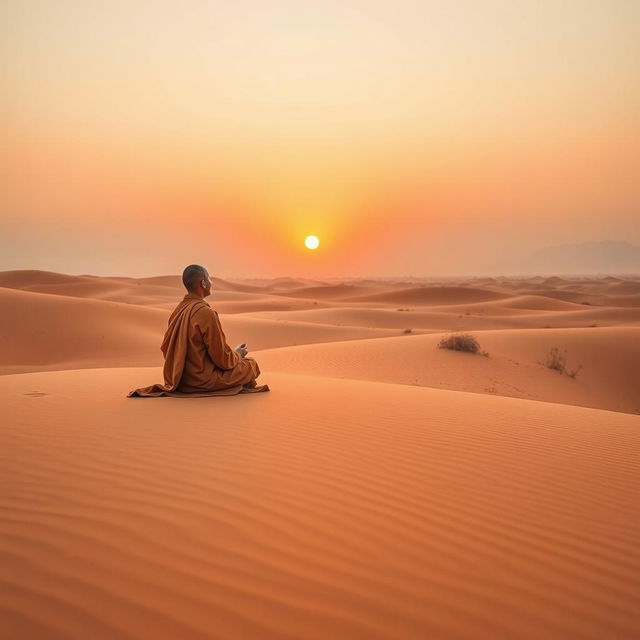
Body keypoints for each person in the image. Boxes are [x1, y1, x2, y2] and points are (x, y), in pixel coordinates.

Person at [128, 265, 268, 397]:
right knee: (251, 365)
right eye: (209, 279)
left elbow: (168, 349)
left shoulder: (178, 311)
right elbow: (222, 360)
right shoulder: (206, 313)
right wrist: (238, 354)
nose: (211, 282)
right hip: (202, 381)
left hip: (180, 380)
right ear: (203, 283)